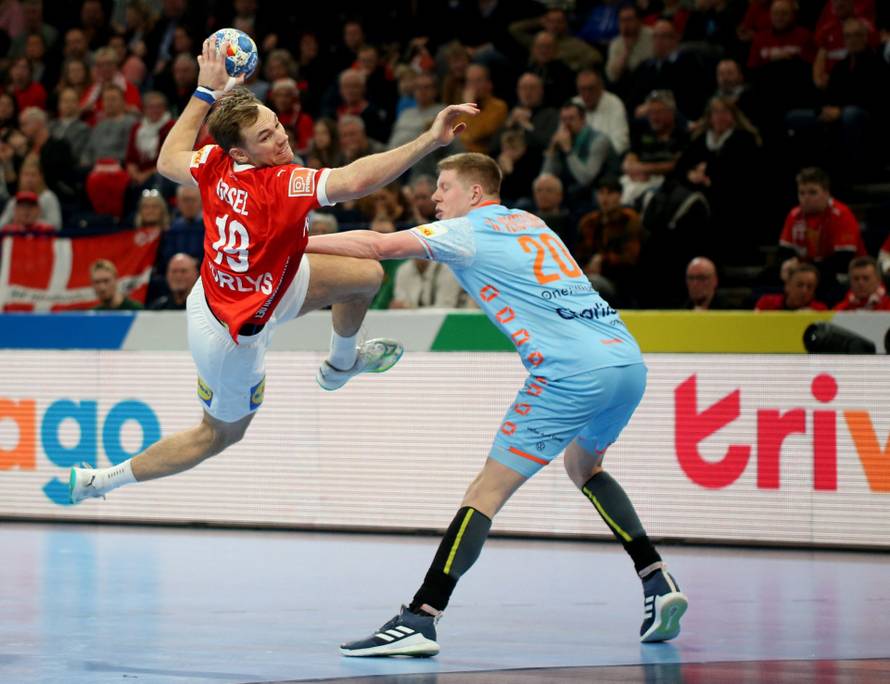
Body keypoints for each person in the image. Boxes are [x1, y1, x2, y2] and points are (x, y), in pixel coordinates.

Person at [306, 152, 687, 656]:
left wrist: (288, 241)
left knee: (485, 491)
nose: (435, 197)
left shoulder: (466, 232)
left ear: (476, 193)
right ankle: (657, 582)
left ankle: (420, 617)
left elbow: (376, 246)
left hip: (569, 373)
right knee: (584, 464)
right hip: (625, 361)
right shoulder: (531, 222)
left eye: (444, 187)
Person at [68, 38, 477, 504]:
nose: (282, 138)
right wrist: (431, 139)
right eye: (267, 137)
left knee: (365, 277)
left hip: (256, 283)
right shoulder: (280, 184)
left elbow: (166, 160)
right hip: (229, 335)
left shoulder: (214, 162)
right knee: (217, 436)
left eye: (277, 125)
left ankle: (341, 364)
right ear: (241, 152)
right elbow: (358, 180)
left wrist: (207, 91)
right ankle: (100, 481)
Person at [754, 262, 827, 310]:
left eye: (810, 287)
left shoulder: (820, 310)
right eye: (799, 285)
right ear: (787, 286)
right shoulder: (766, 304)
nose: (804, 291)